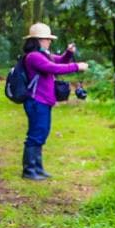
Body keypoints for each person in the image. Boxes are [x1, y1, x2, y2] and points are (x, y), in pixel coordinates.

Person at [20, 23, 87, 181]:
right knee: (36, 135)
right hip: (36, 101)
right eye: (47, 39)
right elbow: (54, 68)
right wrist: (77, 66)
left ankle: (38, 168)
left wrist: (68, 53)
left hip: (44, 102)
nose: (49, 42)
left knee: (42, 133)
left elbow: (60, 62)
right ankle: (29, 170)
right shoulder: (34, 57)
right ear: (38, 40)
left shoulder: (44, 55)